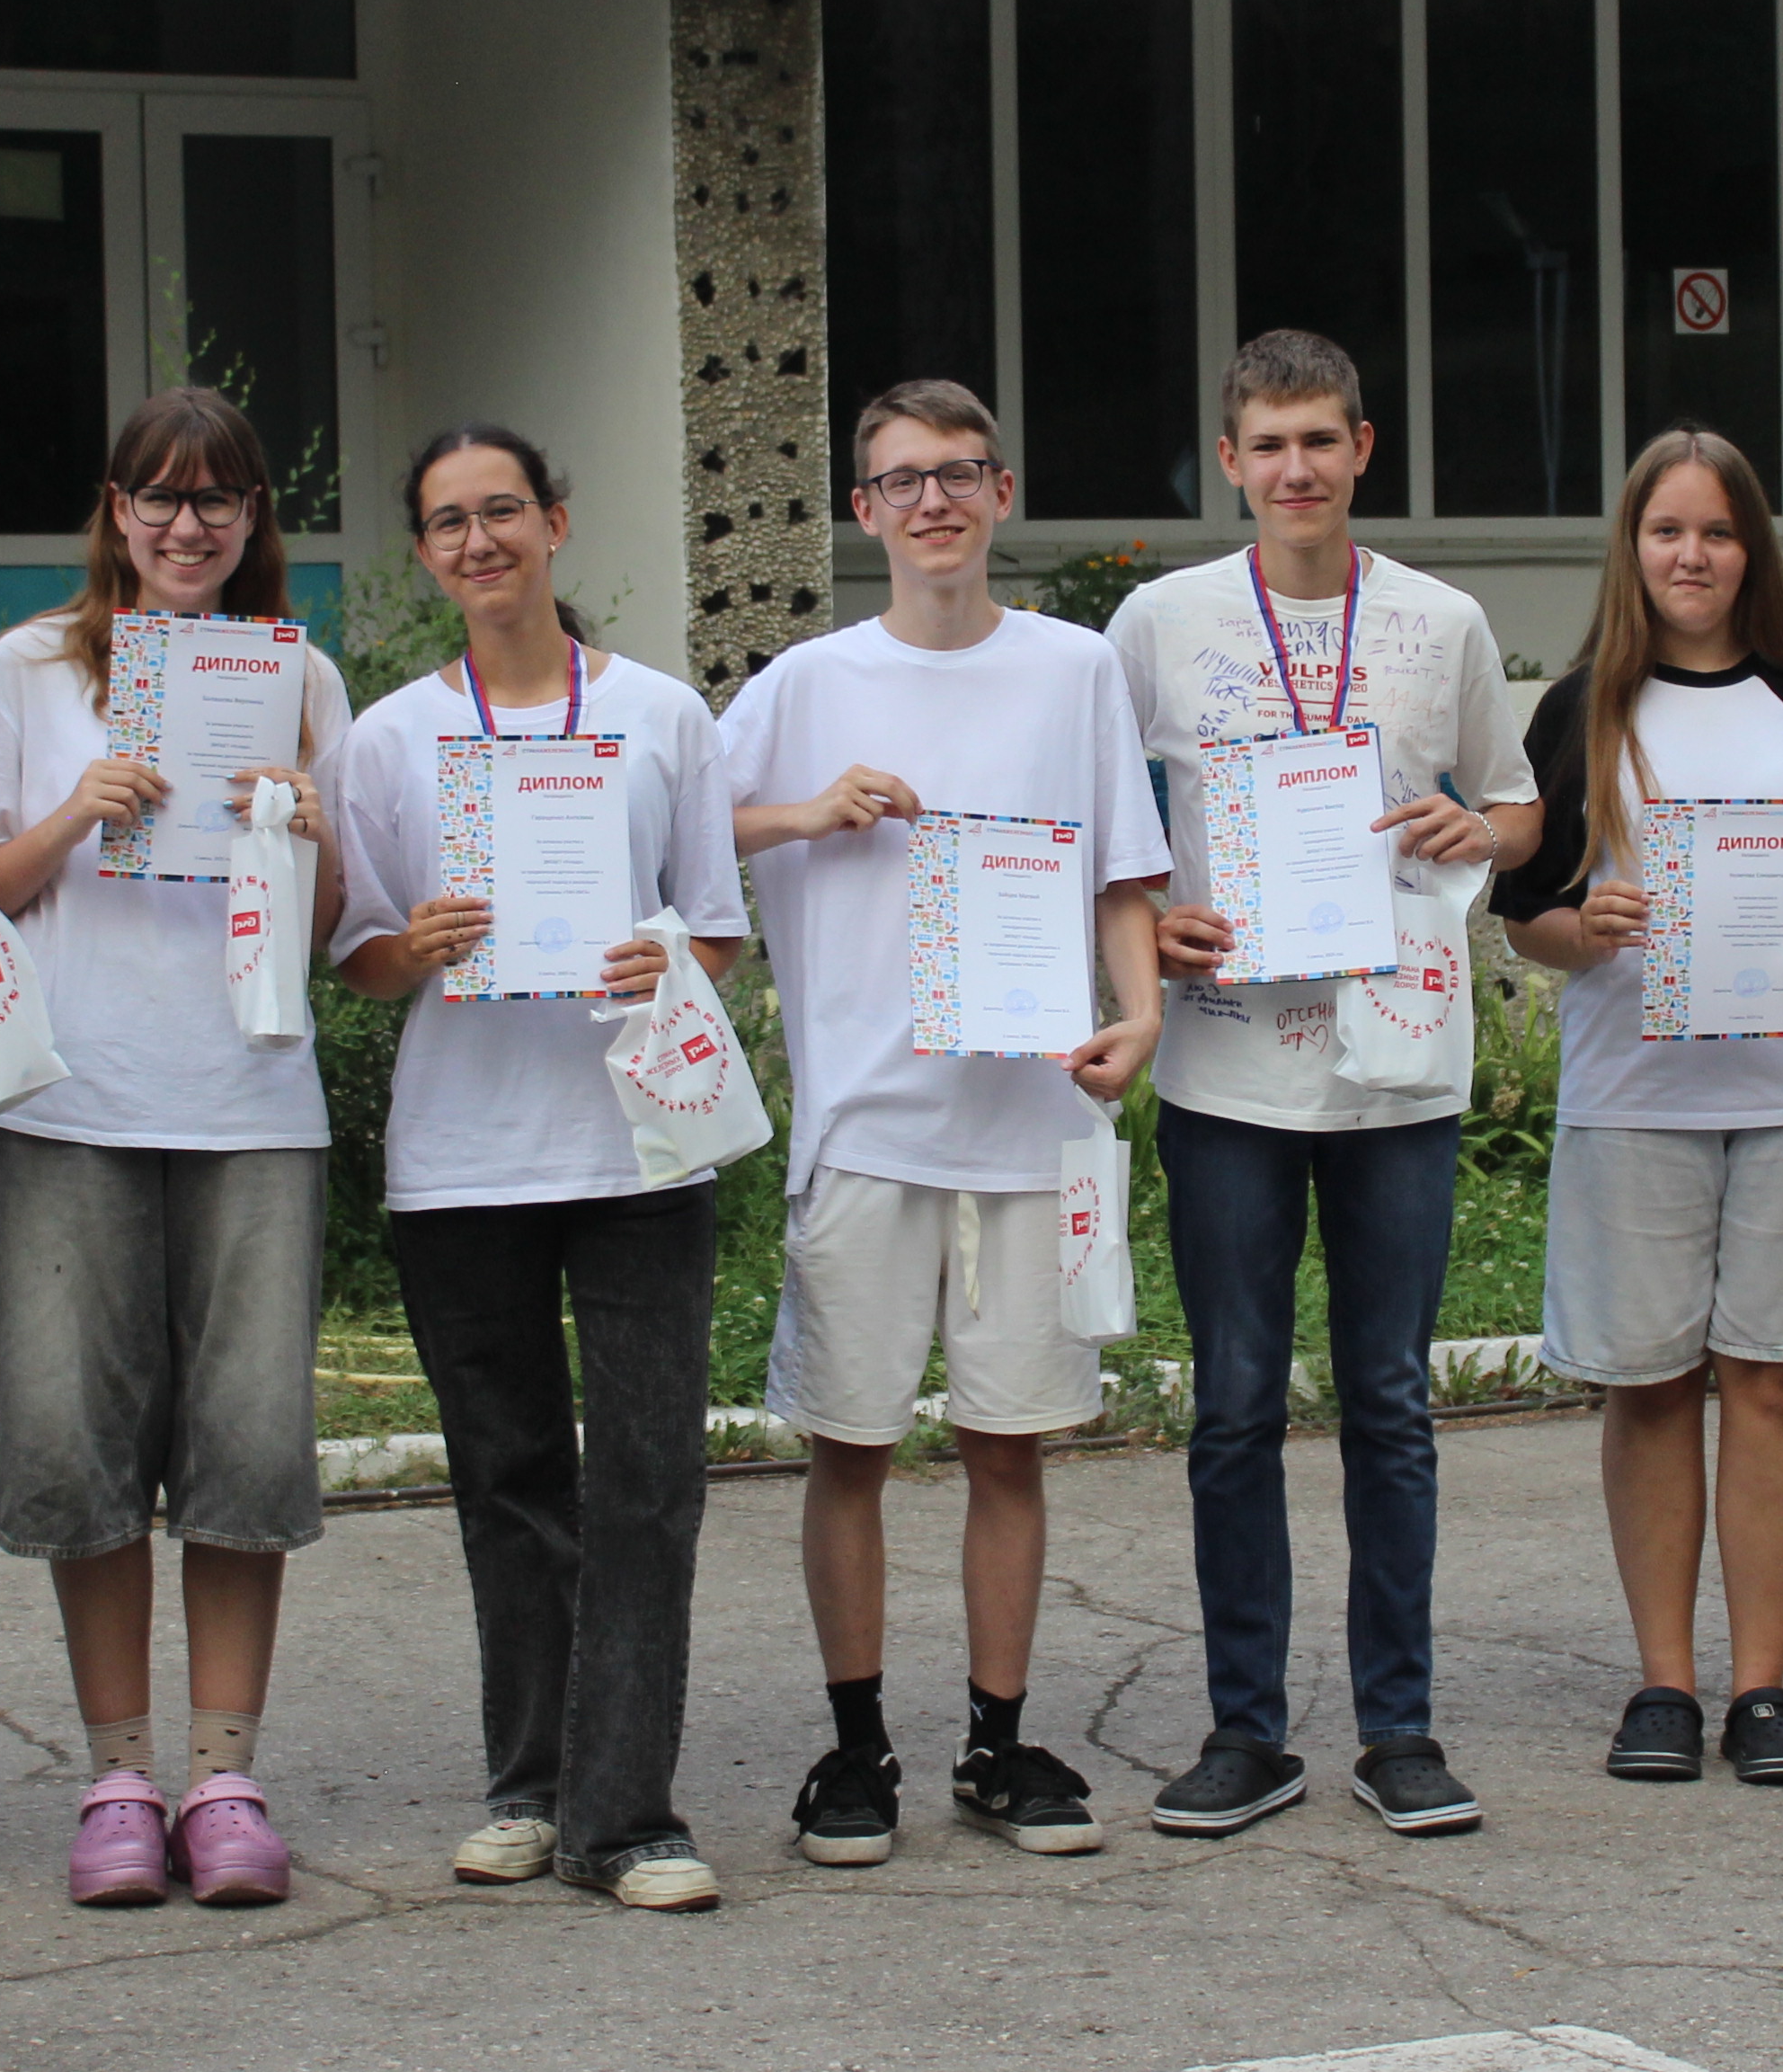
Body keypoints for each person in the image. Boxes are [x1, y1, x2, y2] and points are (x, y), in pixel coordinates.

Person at [720, 378, 1169, 1868]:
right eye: (904, 481)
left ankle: (998, 1739)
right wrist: (806, 814)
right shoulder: (805, 687)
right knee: (849, 1447)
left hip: (1030, 1126)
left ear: (1001, 492)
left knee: (1008, 1449)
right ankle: (856, 1749)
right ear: (864, 510)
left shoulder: (1074, 670)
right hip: (866, 1126)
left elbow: (1123, 871)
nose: (934, 502)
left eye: (960, 474)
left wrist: (1140, 1014)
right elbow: (677, 827)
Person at [1106, 331, 1537, 1841]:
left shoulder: (1441, 621)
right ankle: (1246, 1731)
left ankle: (1399, 1730)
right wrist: (1144, 924)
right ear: (1230, 462)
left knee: (1390, 1404)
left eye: (1321, 441)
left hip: (1398, 1069)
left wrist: (1478, 833)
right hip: (1227, 1065)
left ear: (1364, 448)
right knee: (1233, 1406)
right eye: (1269, 445)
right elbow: (1097, 816)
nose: (1297, 469)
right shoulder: (1159, 624)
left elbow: (1520, 804)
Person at [333, 423, 752, 1912]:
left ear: (555, 525)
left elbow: (717, 925)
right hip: (463, 1162)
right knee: (509, 1480)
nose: (480, 541)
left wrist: (667, 957)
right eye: (449, 521)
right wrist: (413, 947)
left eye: (502, 510)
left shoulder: (659, 715)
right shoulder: (388, 738)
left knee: (646, 1480)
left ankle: (627, 1817)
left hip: (638, 1145)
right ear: (425, 552)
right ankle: (527, 1783)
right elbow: (360, 958)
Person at [0, 388, 347, 1909]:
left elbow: (332, 930)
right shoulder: (32, 667)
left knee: (247, 1447)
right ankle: (119, 1775)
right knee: (79, 1445)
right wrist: (76, 812)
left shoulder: (299, 676)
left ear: (254, 519)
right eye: (160, 497)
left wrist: (305, 832)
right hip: (69, 1102)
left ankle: (226, 1773)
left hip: (249, 1101)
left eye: (218, 499)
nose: (189, 525)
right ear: (116, 512)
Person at [1494, 430, 1783, 1787]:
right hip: (1635, 1099)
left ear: (1752, 551)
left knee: (1776, 1384)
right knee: (1652, 1387)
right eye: (1667, 531)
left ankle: (1765, 1688)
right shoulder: (1581, 710)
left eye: (1718, 533)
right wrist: (1585, 928)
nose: (1692, 556)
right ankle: (1665, 1684)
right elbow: (1525, 914)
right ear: (1632, 547)